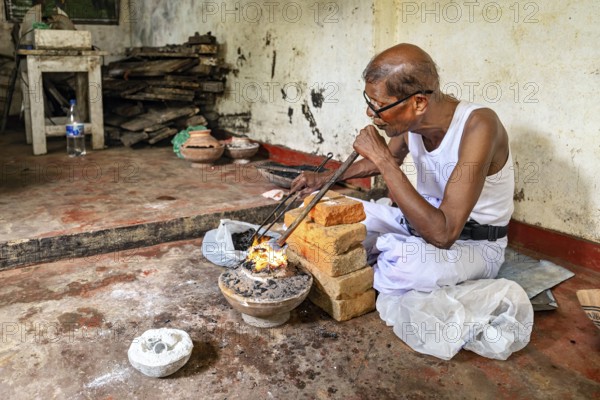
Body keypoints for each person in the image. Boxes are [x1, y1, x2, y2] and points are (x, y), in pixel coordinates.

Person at [290, 43, 514, 296]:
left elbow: (444, 234)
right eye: (369, 100)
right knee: (314, 212)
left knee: (406, 267)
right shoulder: (413, 123)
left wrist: (382, 156)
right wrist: (323, 179)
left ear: (419, 102)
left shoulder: (479, 126)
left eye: (379, 104)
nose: (370, 111)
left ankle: (384, 256)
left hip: (472, 245)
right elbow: (384, 160)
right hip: (415, 224)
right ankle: (387, 250)